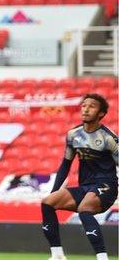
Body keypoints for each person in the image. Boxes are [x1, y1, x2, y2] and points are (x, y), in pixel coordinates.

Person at [41, 94, 117, 260]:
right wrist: (54, 191)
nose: (86, 109)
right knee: (47, 203)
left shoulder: (108, 138)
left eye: (92, 106)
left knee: (84, 209)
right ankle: (57, 255)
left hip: (107, 186)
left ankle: (102, 257)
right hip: (85, 187)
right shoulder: (73, 135)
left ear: (101, 113)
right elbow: (66, 164)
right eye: (84, 106)